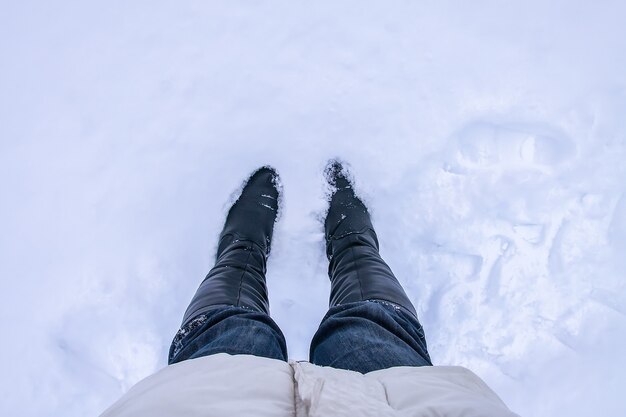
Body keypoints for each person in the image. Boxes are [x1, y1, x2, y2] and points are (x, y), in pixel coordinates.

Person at [101, 161, 520, 417]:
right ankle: (352, 245)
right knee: (371, 323)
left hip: (209, 404)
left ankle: (243, 249)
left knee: (229, 327)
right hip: (400, 403)